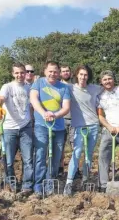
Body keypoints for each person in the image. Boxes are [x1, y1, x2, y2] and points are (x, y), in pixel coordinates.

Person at [30, 61, 71, 198]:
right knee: (41, 155)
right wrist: (44, 113)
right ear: (45, 71)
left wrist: (55, 115)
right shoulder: (39, 83)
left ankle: (50, 184)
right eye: (50, 71)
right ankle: (38, 184)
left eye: (55, 71)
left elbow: (66, 107)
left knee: (55, 156)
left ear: (59, 73)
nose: (52, 74)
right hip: (42, 126)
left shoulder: (64, 88)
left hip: (58, 127)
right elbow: (34, 99)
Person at [0, 62, 33, 194]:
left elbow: (32, 106)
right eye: (16, 73)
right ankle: (12, 183)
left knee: (28, 159)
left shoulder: (29, 88)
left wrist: (32, 120)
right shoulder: (7, 87)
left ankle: (27, 185)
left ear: (25, 73)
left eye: (22, 72)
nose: (19, 75)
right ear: (12, 73)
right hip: (9, 128)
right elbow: (1, 98)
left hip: (25, 127)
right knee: (8, 160)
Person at [62, 65, 100, 195]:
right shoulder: (70, 88)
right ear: (76, 75)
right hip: (78, 126)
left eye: (85, 75)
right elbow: (55, 85)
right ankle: (69, 182)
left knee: (88, 155)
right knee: (76, 153)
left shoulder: (94, 88)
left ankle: (85, 179)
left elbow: (108, 88)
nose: (83, 77)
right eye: (81, 74)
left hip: (94, 126)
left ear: (88, 76)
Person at [59, 64, 73, 177]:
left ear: (71, 73)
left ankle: (74, 169)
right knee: (60, 146)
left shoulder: (75, 87)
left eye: (67, 71)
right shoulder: (57, 86)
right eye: (63, 71)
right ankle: (60, 168)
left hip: (74, 119)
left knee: (75, 146)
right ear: (60, 73)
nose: (65, 73)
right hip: (61, 119)